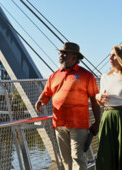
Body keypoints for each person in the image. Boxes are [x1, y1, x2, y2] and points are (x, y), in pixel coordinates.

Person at [35, 42, 101, 170]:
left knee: (78, 157)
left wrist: (97, 121)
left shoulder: (86, 75)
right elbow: (47, 92)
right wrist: (40, 100)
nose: (61, 55)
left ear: (74, 57)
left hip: (79, 124)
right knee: (66, 159)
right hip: (59, 123)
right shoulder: (54, 75)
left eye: (65, 53)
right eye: (60, 53)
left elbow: (94, 99)